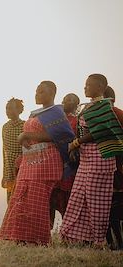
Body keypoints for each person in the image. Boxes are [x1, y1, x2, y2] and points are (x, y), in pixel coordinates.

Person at [0, 81, 75, 245]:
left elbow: (65, 136)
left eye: (41, 91)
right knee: (22, 197)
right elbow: (29, 133)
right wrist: (24, 138)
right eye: (36, 91)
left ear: (52, 93)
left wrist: (27, 136)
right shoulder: (35, 113)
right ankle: (20, 237)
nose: (37, 94)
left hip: (46, 161)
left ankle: (38, 239)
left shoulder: (56, 112)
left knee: (37, 201)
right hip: (29, 161)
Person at [60, 74, 123, 246]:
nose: (85, 87)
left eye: (89, 85)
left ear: (101, 86)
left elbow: (101, 131)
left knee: (97, 201)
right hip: (87, 159)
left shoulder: (104, 106)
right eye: (85, 84)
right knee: (79, 197)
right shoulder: (89, 106)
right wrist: (77, 145)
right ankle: (75, 237)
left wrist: (76, 142)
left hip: (100, 158)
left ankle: (98, 241)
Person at [49, 93, 80, 228]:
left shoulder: (77, 121)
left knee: (66, 200)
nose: (65, 102)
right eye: (64, 99)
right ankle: (46, 232)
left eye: (69, 100)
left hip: (69, 166)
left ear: (76, 104)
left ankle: (66, 232)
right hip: (54, 163)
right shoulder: (56, 120)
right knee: (50, 198)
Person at [104, 86, 123, 250]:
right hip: (113, 167)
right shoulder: (117, 113)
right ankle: (114, 244)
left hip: (114, 168)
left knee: (111, 208)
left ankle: (114, 244)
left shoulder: (115, 114)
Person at [1, 98, 25, 203]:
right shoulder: (5, 127)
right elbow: (4, 150)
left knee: (21, 199)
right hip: (9, 169)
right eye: (6, 108)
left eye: (11, 108)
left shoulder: (25, 125)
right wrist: (4, 174)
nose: (8, 111)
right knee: (10, 200)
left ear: (20, 110)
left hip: (22, 168)